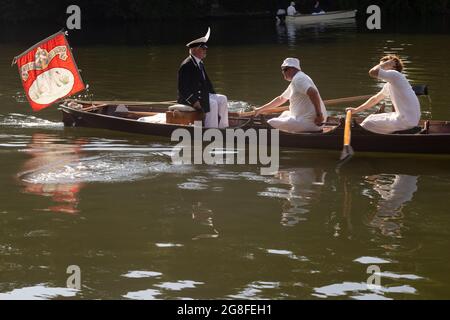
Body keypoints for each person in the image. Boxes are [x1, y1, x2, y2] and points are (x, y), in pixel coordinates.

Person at [347, 55, 421, 134]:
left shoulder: (395, 74)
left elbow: (372, 72)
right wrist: (355, 110)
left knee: (367, 124)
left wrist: (386, 63)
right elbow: (375, 99)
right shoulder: (391, 83)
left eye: (382, 66)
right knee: (370, 118)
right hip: (407, 119)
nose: (381, 68)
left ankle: (359, 135)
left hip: (406, 121)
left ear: (392, 65)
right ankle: (362, 132)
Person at [255, 58, 328, 133]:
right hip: (309, 120)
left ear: (292, 69)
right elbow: (281, 99)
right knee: (285, 114)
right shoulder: (297, 79)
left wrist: (319, 115)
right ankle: (285, 134)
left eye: (284, 69)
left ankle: (283, 136)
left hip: (313, 123)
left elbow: (313, 93)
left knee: (271, 122)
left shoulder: (299, 79)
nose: (283, 72)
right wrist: (260, 109)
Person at [177, 28, 229, 129]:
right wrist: (194, 101)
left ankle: (223, 127)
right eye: (203, 49)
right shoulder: (186, 65)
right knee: (212, 103)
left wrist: (213, 94)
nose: (206, 50)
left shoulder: (200, 62)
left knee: (223, 99)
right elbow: (182, 88)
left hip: (202, 95)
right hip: (190, 99)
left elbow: (206, 83)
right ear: (194, 50)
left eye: (205, 48)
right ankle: (211, 130)